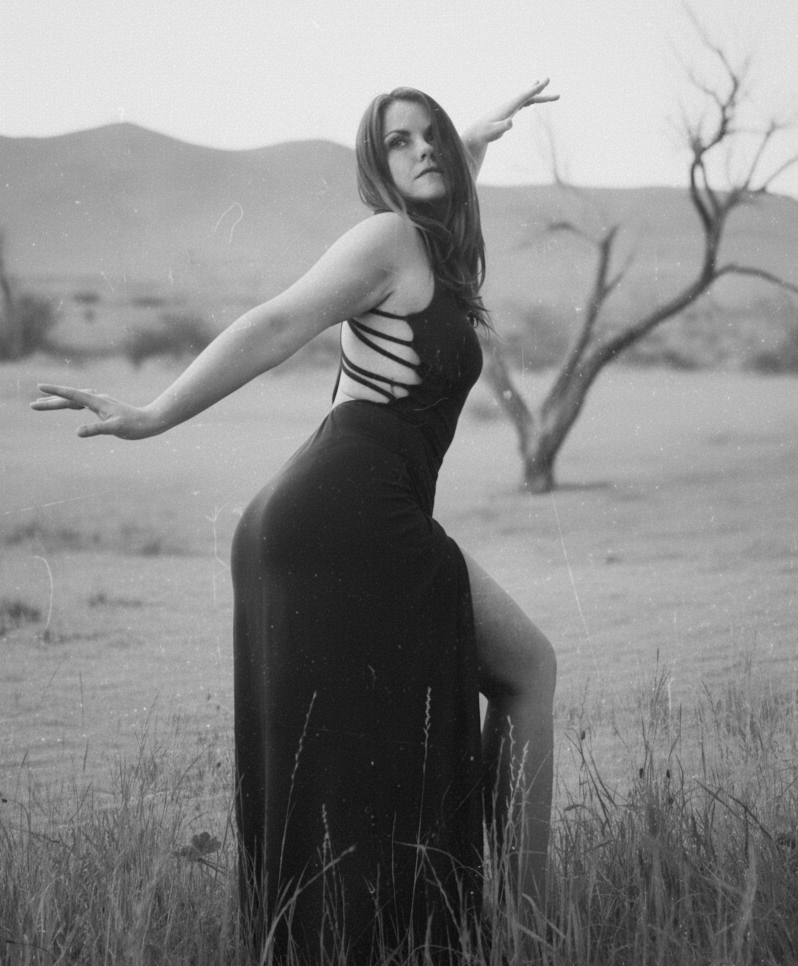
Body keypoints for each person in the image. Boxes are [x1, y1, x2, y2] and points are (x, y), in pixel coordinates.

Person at [32, 80, 559, 963]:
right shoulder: (387, 240)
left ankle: (486, 926)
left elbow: (443, 180)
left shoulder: (430, 248)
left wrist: (468, 143)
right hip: (345, 510)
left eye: (433, 137)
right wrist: (155, 413)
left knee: (378, 759)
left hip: (338, 510)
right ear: (374, 165)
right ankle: (526, 928)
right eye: (400, 142)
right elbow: (277, 320)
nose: (424, 149)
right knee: (527, 668)